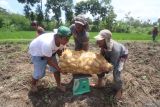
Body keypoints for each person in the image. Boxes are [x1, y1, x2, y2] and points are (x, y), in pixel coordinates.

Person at [28, 26, 71, 92]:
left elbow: (59, 51)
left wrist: (63, 62)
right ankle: (33, 85)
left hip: (50, 51)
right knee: (39, 74)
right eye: (66, 39)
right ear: (59, 36)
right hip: (37, 52)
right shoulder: (47, 44)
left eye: (68, 38)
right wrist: (60, 69)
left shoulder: (62, 41)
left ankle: (59, 85)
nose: (67, 41)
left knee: (56, 70)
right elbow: (49, 60)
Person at [94, 29, 128, 99]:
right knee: (99, 65)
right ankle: (100, 84)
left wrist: (106, 68)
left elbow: (113, 65)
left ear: (106, 40)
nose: (98, 41)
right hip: (109, 54)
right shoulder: (103, 44)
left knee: (116, 72)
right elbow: (101, 55)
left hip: (121, 56)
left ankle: (119, 90)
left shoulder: (115, 50)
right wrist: (99, 63)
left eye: (100, 40)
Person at [70, 15, 90, 79]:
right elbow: (67, 36)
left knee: (82, 57)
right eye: (76, 24)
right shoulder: (72, 27)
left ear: (83, 26)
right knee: (75, 57)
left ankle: (83, 72)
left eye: (80, 25)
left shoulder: (85, 35)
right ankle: (75, 72)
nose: (77, 26)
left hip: (84, 45)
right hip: (77, 44)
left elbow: (84, 50)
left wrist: (81, 55)